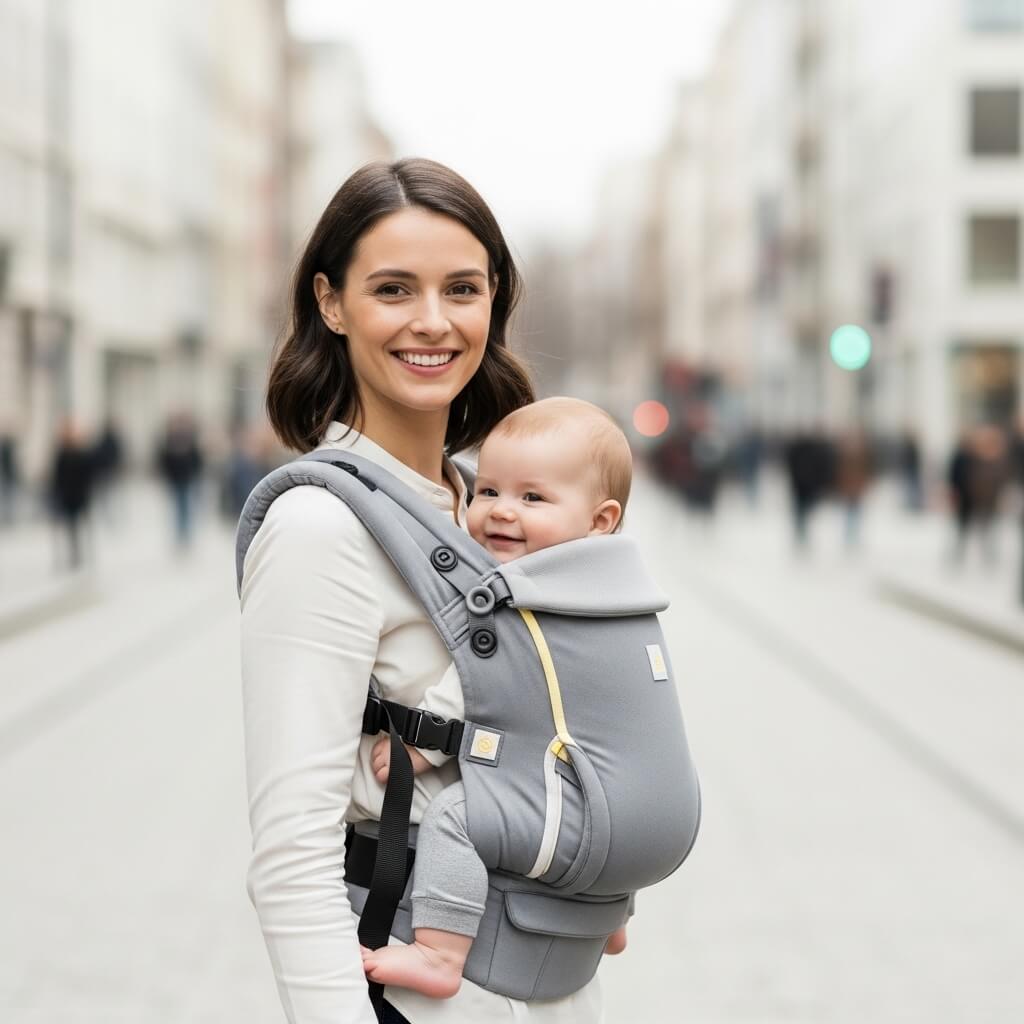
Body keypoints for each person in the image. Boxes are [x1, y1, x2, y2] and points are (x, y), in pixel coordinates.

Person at [240, 159, 604, 1023]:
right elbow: (291, 860)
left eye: (463, 289)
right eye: (395, 289)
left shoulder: (491, 509)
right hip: (418, 998)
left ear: (495, 304)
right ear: (332, 303)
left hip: (545, 986)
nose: (433, 322)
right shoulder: (318, 528)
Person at [360, 397, 632, 999]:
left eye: (532, 499)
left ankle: (437, 952)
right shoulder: (614, 590)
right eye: (486, 492)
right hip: (601, 792)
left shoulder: (528, 591)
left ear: (601, 519)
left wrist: (426, 742)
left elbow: (485, 675)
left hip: (552, 784)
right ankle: (608, 919)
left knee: (457, 817)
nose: (501, 512)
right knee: (611, 801)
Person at [49, 417, 95, 569]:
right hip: (67, 495)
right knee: (70, 526)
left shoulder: (83, 452)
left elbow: (89, 473)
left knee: (82, 524)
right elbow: (57, 475)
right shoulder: (61, 453)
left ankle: (84, 552)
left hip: (81, 494)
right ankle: (74, 554)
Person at [156, 412, 203, 549]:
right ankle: (179, 535)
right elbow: (163, 459)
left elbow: (196, 458)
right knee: (177, 508)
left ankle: (186, 535)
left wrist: (194, 472)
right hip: (175, 479)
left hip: (187, 478)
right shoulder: (169, 439)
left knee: (186, 508)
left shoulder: (189, 439)